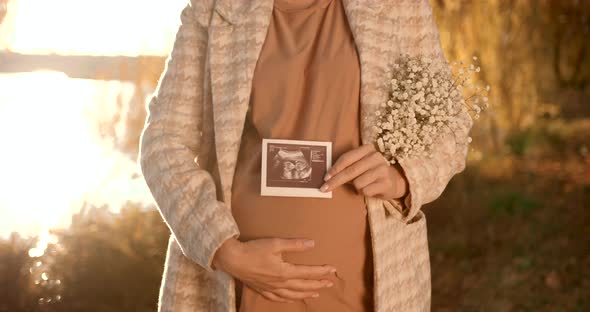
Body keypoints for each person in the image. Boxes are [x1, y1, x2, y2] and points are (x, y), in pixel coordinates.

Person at [138, 0, 473, 311]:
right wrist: (224, 251)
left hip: (367, 291)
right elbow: (163, 142)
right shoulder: (215, 8)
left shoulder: (399, 6)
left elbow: (450, 127)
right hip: (237, 287)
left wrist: (402, 176)